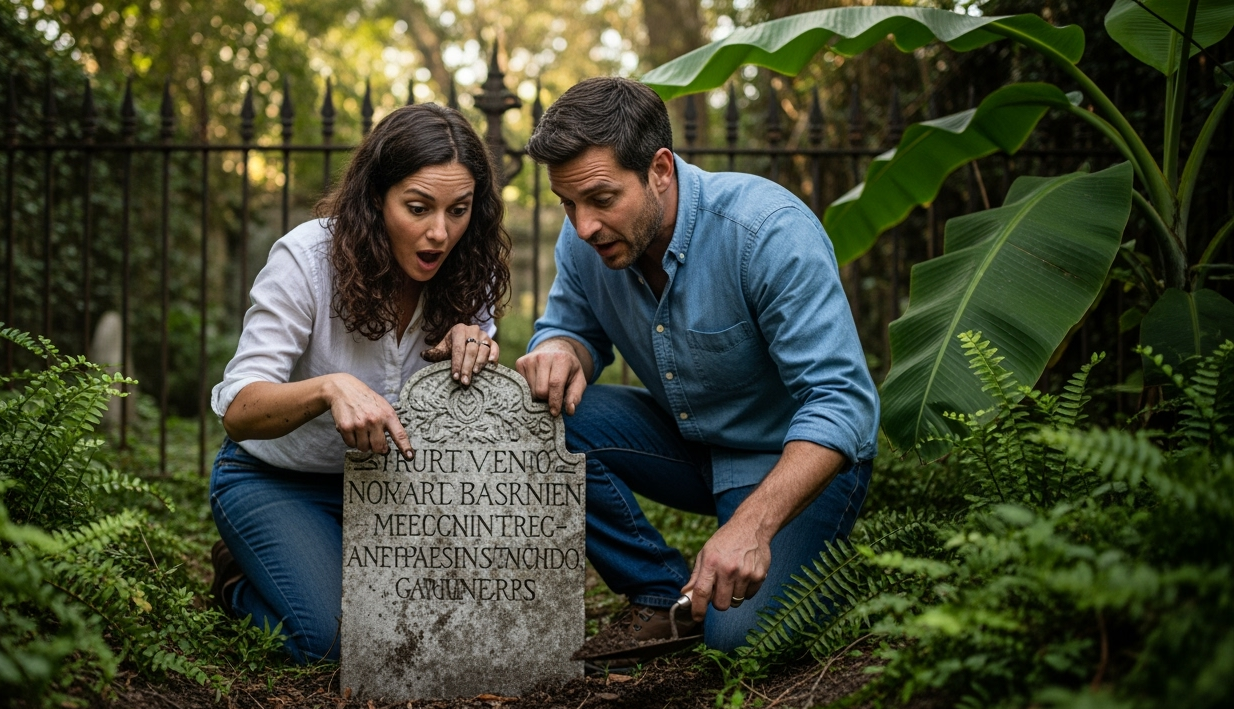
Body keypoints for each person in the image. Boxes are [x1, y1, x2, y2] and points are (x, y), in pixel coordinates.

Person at [516, 77, 879, 654]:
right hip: (687, 443)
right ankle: (659, 594)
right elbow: (570, 328)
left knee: (737, 640)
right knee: (531, 415)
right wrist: (560, 348)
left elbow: (843, 402)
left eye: (602, 199)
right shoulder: (584, 237)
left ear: (660, 169)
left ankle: (833, 559)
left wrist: (752, 527)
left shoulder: (766, 231)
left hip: (790, 456)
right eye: (568, 203)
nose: (583, 225)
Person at [208, 103, 512, 664]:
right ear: (376, 198)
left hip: (400, 491)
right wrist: (329, 387)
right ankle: (238, 582)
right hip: (278, 478)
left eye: (459, 210)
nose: (439, 232)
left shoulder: (472, 271)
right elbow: (240, 406)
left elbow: (472, 423)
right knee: (335, 643)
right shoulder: (307, 259)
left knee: (463, 626)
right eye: (417, 208)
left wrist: (479, 355)